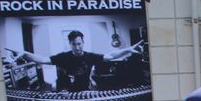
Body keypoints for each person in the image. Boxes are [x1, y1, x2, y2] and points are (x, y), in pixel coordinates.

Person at [8, 30, 143, 91]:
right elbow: (43, 59)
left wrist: (129, 49)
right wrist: (25, 53)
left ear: (83, 43)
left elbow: (111, 56)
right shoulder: (62, 57)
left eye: (79, 44)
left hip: (84, 91)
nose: (77, 47)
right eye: (74, 44)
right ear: (70, 44)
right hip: (65, 92)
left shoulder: (90, 56)